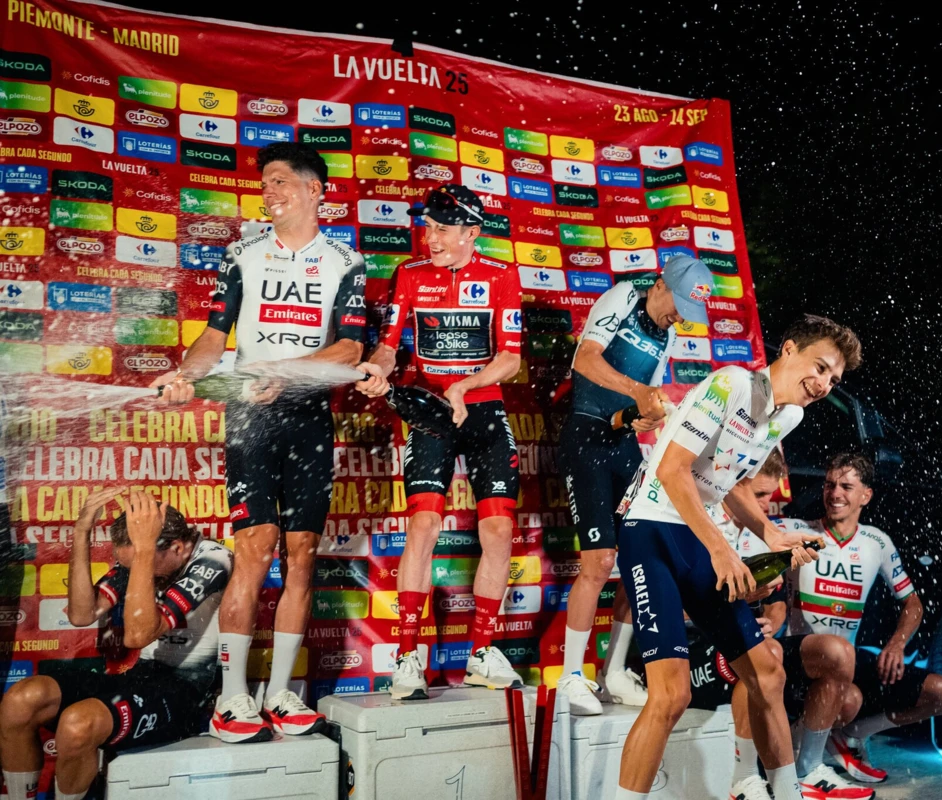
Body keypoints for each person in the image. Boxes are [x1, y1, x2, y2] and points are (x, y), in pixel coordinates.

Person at [153, 142, 367, 741]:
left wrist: (288, 373)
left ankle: (280, 695)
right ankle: (231, 698)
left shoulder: (346, 261)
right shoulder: (243, 255)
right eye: (264, 184)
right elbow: (214, 334)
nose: (268, 193)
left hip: (307, 417)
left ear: (314, 189)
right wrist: (185, 374)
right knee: (257, 545)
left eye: (279, 182)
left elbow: (349, 349)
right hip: (249, 417)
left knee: (301, 552)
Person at [613, 314, 863, 800]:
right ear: (788, 349)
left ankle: (786, 794)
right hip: (651, 529)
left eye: (834, 379)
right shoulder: (730, 385)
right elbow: (672, 469)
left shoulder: (789, 415)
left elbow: (728, 481)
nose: (824, 383)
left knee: (768, 673)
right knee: (671, 695)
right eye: (821, 367)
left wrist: (770, 534)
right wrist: (722, 548)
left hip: (694, 533)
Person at [356, 184, 524, 699]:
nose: (430, 237)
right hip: (431, 412)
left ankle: (480, 653)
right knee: (424, 524)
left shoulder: (501, 276)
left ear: (472, 232)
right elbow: (388, 348)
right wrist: (376, 370)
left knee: (498, 531)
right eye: (426, 227)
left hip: (484, 408)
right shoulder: (408, 274)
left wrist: (466, 386)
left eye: (442, 228)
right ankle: (407, 658)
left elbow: (511, 359)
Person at [556, 256, 715, 716]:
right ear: (661, 285)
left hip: (621, 441)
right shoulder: (624, 297)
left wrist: (647, 412)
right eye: (679, 305)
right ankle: (571, 674)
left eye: (689, 312)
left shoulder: (667, 334)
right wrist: (638, 393)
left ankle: (612, 671)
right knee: (601, 559)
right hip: (584, 434)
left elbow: (644, 400)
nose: (678, 317)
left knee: (639, 555)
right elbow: (584, 361)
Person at [0, 490, 231, 800]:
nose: (138, 572)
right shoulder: (145, 557)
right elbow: (83, 614)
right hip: (142, 677)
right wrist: (81, 533)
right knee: (20, 701)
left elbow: (138, 636)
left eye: (143, 561)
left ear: (176, 547)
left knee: (78, 725)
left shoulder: (213, 557)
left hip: (189, 693)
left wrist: (145, 550)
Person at [705, 450, 872, 800]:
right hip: (704, 641)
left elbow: (777, 601)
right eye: (760, 495)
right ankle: (745, 778)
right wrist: (741, 600)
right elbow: (679, 602)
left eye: (770, 495)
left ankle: (809, 768)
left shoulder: (766, 531)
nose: (767, 505)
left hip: (758, 639)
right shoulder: (706, 523)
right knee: (764, 652)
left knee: (837, 653)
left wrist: (771, 617)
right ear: (734, 487)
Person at [782, 452, 942, 785]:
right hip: (805, 663)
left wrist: (897, 643)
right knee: (849, 700)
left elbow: (913, 603)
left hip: (849, 660)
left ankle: (852, 734)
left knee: (940, 692)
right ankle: (803, 756)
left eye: (846, 486)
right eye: (830, 485)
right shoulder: (797, 532)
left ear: (866, 495)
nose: (835, 494)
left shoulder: (878, 542)